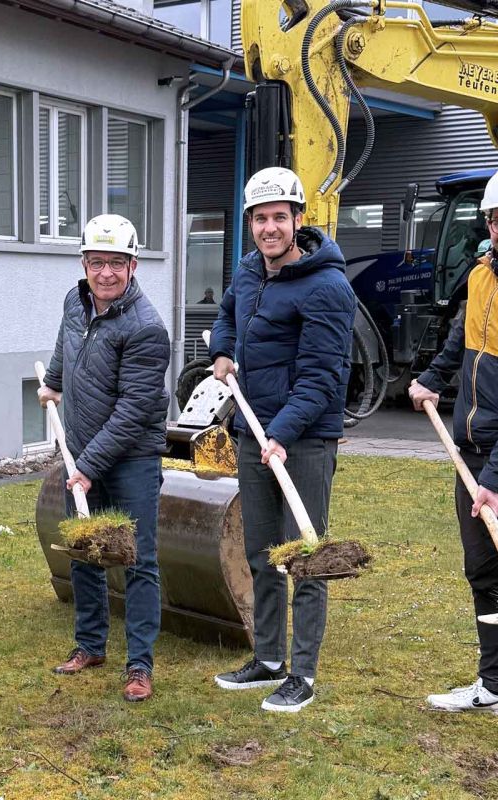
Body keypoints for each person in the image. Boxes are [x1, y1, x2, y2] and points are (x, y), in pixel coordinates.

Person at [209, 167, 356, 712]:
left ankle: (305, 676)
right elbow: (227, 315)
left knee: (306, 555)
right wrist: (223, 351)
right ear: (250, 223)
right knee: (261, 551)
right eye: (260, 219)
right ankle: (268, 659)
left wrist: (282, 434)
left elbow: (321, 379)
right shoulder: (250, 271)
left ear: (298, 220)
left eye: (279, 217)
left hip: (306, 440)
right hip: (255, 431)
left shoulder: (328, 288)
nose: (269, 228)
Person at [38, 213, 170, 702]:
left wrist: (88, 467)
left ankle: (139, 665)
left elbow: (136, 410)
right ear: (84, 263)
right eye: (97, 262)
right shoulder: (75, 301)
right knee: (84, 551)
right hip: (82, 451)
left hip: (131, 458)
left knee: (139, 560)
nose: (107, 273)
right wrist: (53, 381)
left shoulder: (147, 328)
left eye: (117, 263)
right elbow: (66, 344)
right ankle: (90, 646)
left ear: (133, 266)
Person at [408, 169, 498, 712]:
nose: (497, 228)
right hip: (472, 449)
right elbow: (461, 343)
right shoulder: (480, 277)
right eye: (493, 218)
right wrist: (430, 380)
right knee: (484, 572)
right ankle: (492, 683)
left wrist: (494, 479)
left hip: (495, 465)